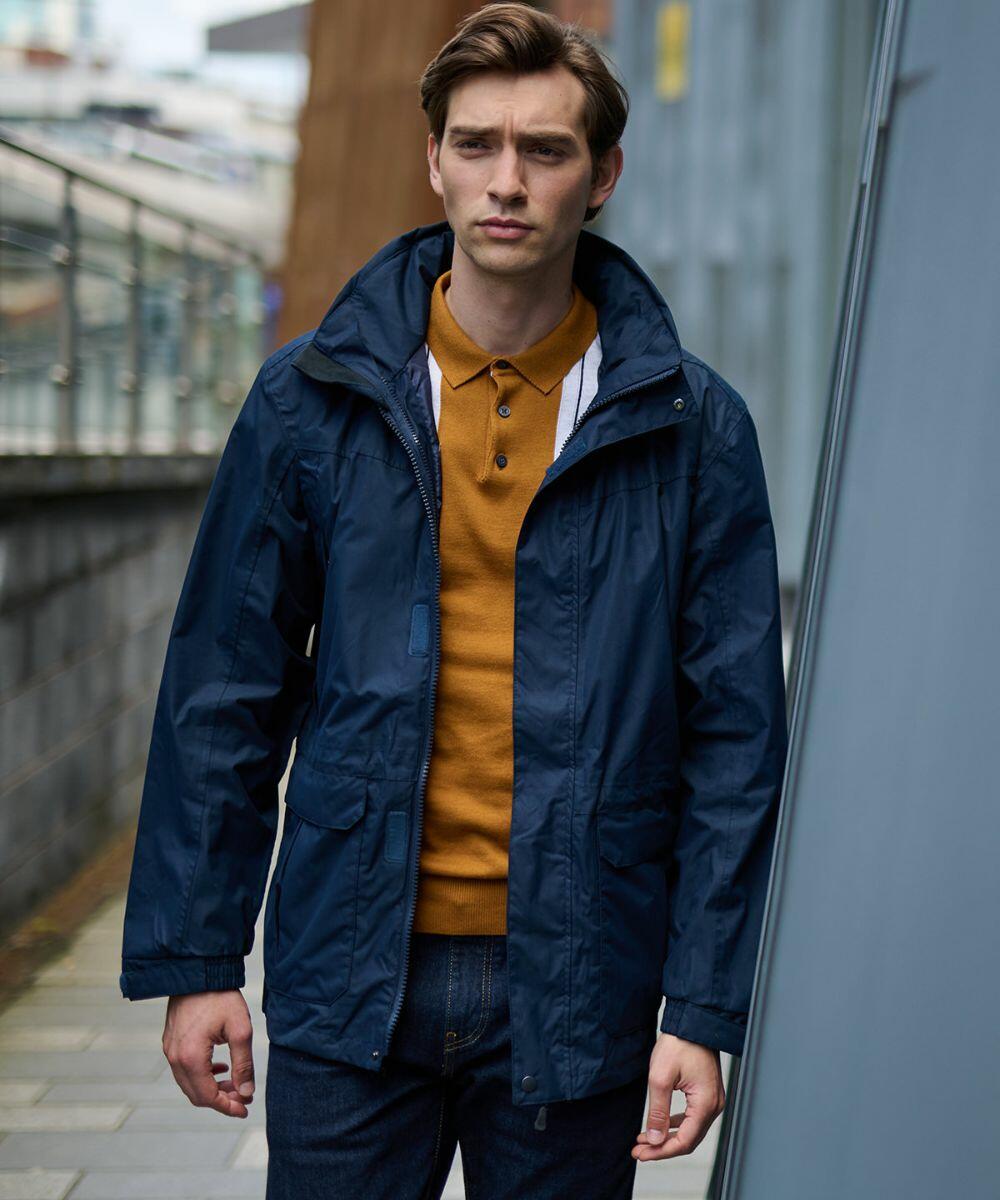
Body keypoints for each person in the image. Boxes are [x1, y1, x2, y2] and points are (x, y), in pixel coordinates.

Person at [119, 4, 788, 1197]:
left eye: (545, 151)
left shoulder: (693, 426)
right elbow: (223, 691)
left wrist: (703, 1003)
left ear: (604, 176)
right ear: (433, 162)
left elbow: (735, 736)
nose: (506, 181)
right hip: (348, 968)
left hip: (581, 979)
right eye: (476, 145)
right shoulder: (310, 403)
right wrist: (197, 958)